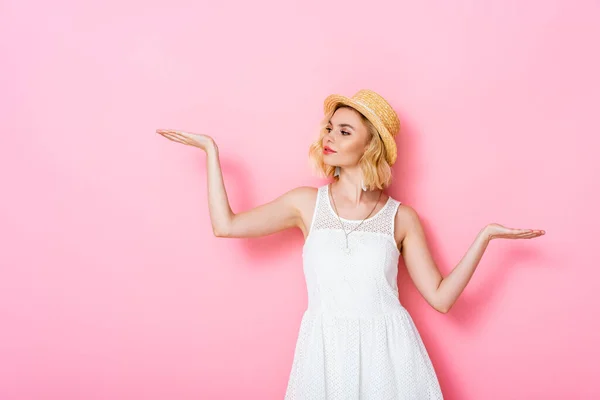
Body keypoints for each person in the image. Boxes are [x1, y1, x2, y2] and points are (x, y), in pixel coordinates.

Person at [157, 89, 545, 399]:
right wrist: (211, 151)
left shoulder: (402, 218)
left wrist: (485, 237)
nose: (329, 137)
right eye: (329, 127)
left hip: (390, 357)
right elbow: (226, 226)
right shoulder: (305, 204)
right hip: (324, 354)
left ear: (370, 145)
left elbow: (441, 299)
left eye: (344, 131)